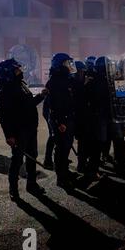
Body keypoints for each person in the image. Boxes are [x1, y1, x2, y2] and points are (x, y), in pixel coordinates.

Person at [0, 58, 47, 201]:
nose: (20, 72)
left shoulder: (21, 85)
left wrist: (41, 96)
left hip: (30, 128)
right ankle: (13, 189)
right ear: (9, 73)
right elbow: (3, 116)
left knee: (32, 157)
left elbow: (29, 104)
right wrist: (9, 135)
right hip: (19, 131)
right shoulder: (6, 91)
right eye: (17, 70)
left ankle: (31, 184)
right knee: (17, 161)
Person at [46, 53, 77, 189]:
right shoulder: (55, 80)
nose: (69, 65)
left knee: (66, 148)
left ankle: (65, 172)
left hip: (68, 118)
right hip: (61, 121)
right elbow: (54, 105)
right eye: (66, 63)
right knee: (61, 150)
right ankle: (61, 178)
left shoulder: (65, 78)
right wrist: (59, 122)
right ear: (59, 65)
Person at [73, 61, 88, 173]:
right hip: (78, 118)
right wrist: (84, 85)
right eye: (82, 71)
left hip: (81, 118)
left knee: (83, 143)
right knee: (82, 143)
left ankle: (82, 163)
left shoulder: (78, 82)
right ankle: (81, 165)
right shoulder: (75, 83)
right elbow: (78, 99)